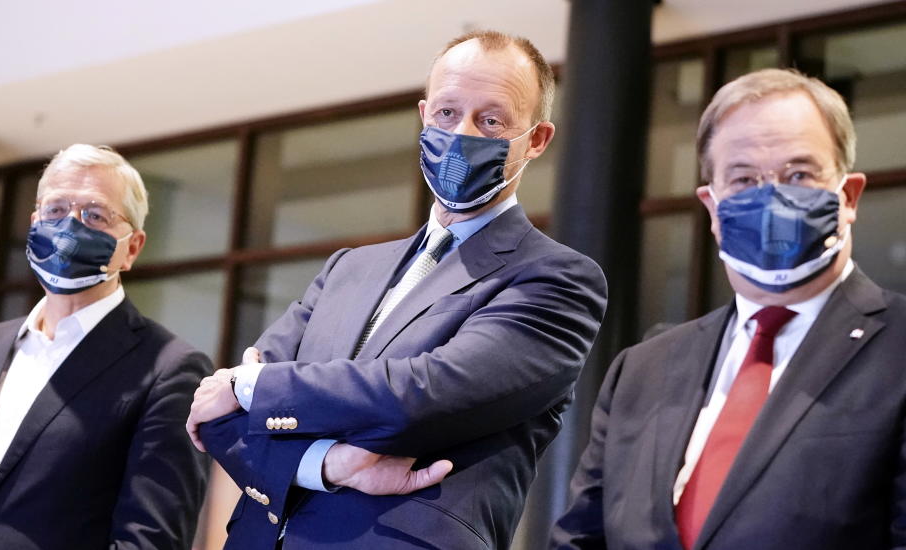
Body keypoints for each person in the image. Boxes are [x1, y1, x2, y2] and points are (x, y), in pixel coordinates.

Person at [186, 30, 608, 550]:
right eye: (448, 114)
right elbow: (219, 422)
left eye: (491, 120)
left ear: (537, 140)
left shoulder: (556, 279)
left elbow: (424, 394)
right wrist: (328, 464)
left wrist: (253, 386)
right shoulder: (348, 269)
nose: (462, 134)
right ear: (424, 115)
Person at [549, 68, 906, 549]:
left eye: (799, 174)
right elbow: (580, 539)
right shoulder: (641, 370)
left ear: (847, 196)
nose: (771, 197)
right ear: (712, 207)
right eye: (743, 178)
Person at [0, 145, 211, 550]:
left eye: (95, 215)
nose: (69, 228)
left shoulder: (169, 370)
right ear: (34, 221)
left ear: (133, 248)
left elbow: (150, 541)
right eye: (55, 210)